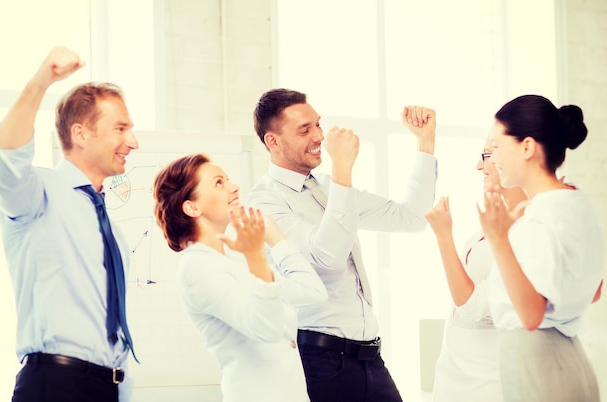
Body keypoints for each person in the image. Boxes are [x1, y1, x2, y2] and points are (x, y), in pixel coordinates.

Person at [247, 88, 437, 402]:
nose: (319, 136)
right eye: (304, 130)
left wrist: (425, 143)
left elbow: (411, 218)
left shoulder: (328, 188)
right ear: (273, 141)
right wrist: (343, 169)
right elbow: (326, 258)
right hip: (321, 361)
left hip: (370, 358)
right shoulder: (265, 201)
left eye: (318, 124)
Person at [0, 47, 139, 402]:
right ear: (81, 134)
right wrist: (42, 82)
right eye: (120, 128)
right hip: (56, 383)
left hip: (108, 386)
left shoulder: (111, 226)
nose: (133, 142)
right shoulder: (38, 193)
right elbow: (6, 160)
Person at [152, 153, 327, 402]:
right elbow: (266, 329)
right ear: (192, 207)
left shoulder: (236, 256)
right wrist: (256, 255)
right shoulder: (196, 268)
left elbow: (313, 293)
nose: (234, 188)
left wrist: (273, 235)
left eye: (228, 180)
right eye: (219, 183)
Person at [477, 94, 604, 402]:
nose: (490, 159)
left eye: (495, 146)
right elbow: (595, 290)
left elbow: (531, 316)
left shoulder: (539, 218)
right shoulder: (577, 202)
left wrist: (498, 237)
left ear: (527, 147)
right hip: (573, 361)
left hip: (534, 361)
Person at [425, 135, 526, 402]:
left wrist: (444, 236)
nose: (478, 166)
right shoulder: (484, 232)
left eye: (486, 155)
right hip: (455, 378)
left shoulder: (528, 233)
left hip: (488, 385)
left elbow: (471, 308)